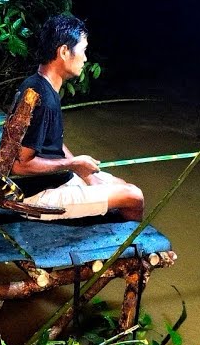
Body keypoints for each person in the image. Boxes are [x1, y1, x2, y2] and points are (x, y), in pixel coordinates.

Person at [10, 14, 145, 221]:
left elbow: (52, 143)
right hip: (36, 196)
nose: (85, 58)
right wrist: (73, 165)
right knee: (134, 196)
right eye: (82, 50)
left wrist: (82, 170)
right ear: (64, 51)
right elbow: (19, 165)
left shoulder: (40, 84)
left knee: (120, 184)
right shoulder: (41, 98)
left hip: (55, 179)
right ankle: (126, 246)